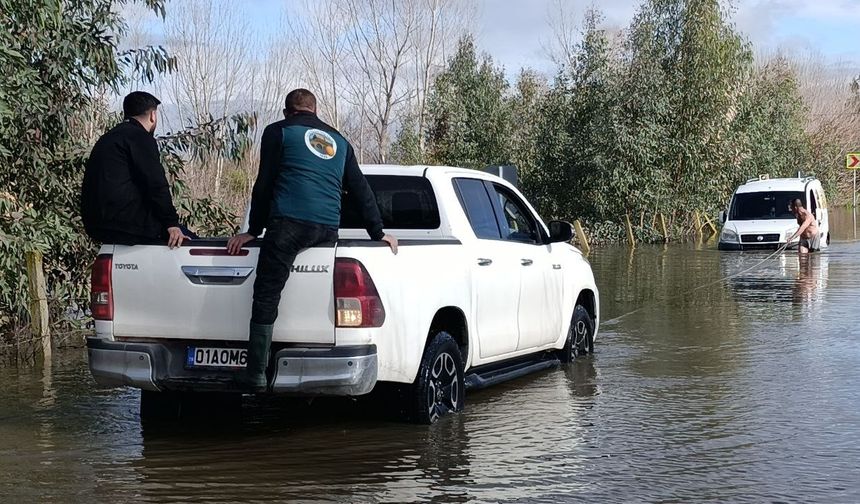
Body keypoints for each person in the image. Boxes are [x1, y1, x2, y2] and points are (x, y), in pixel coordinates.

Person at [226, 89, 397, 391]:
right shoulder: (339, 142)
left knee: (267, 292)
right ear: (315, 111)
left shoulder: (279, 132)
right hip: (327, 229)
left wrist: (254, 229)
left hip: (288, 225)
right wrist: (378, 232)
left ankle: (255, 374)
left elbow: (264, 183)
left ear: (286, 111)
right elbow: (360, 189)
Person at [81, 91, 188, 248]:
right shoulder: (140, 138)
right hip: (128, 225)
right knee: (187, 241)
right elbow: (155, 184)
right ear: (153, 115)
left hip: (97, 225)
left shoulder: (108, 138)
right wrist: (171, 223)